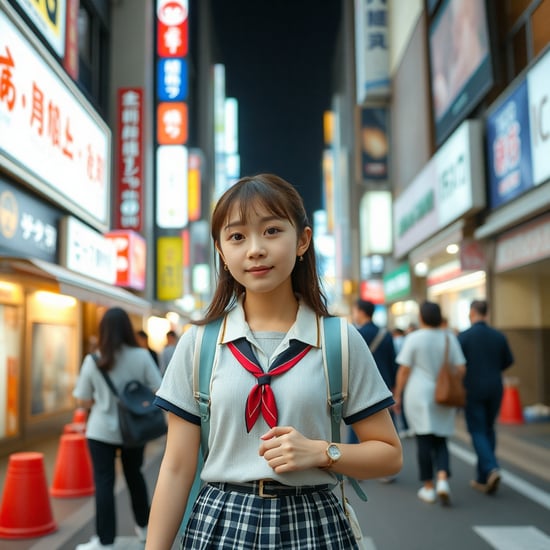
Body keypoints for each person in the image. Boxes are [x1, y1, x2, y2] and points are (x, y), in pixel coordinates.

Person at [146, 174, 402, 549]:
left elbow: (389, 455)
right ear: (220, 250)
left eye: (271, 231)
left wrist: (322, 452)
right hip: (219, 523)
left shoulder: (339, 340)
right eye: (237, 236)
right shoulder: (199, 344)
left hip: (314, 522)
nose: (255, 249)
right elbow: (176, 468)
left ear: (302, 241)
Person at [73, 307, 163, 550]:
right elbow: (159, 389)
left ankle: (105, 541)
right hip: (134, 429)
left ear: (103, 330)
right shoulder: (142, 355)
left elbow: (83, 399)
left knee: (104, 483)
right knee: (135, 476)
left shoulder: (94, 359)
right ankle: (145, 531)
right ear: (127, 328)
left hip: (101, 431)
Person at [393, 301, 466, 506]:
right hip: (443, 395)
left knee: (424, 440)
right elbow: (461, 369)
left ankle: (428, 487)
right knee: (441, 438)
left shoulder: (414, 338)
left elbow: (404, 370)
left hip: (419, 395)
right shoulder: (449, 338)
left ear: (422, 317)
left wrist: (397, 395)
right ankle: (442, 480)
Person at [458, 299, 514, 494]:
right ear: (486, 313)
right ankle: (483, 478)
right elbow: (508, 361)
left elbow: (458, 366)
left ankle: (491, 467)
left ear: (472, 312)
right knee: (489, 428)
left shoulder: (464, 337)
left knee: (477, 430)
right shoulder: (498, 336)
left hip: (472, 388)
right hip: (495, 387)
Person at [349, 299, 397, 441]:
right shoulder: (385, 334)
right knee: (385, 431)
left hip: (359, 386)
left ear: (361, 312)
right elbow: (392, 362)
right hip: (384, 386)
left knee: (357, 428)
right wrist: (394, 387)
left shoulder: (354, 335)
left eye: (355, 311)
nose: (354, 315)